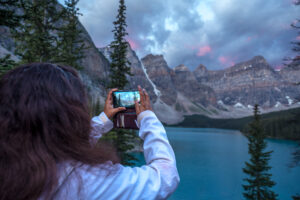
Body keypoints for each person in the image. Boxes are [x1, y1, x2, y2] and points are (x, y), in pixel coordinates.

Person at [0, 63, 180, 200]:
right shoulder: (87, 179)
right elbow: (165, 177)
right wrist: (148, 119)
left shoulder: (11, 163)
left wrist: (104, 120)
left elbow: (62, 143)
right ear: (71, 113)